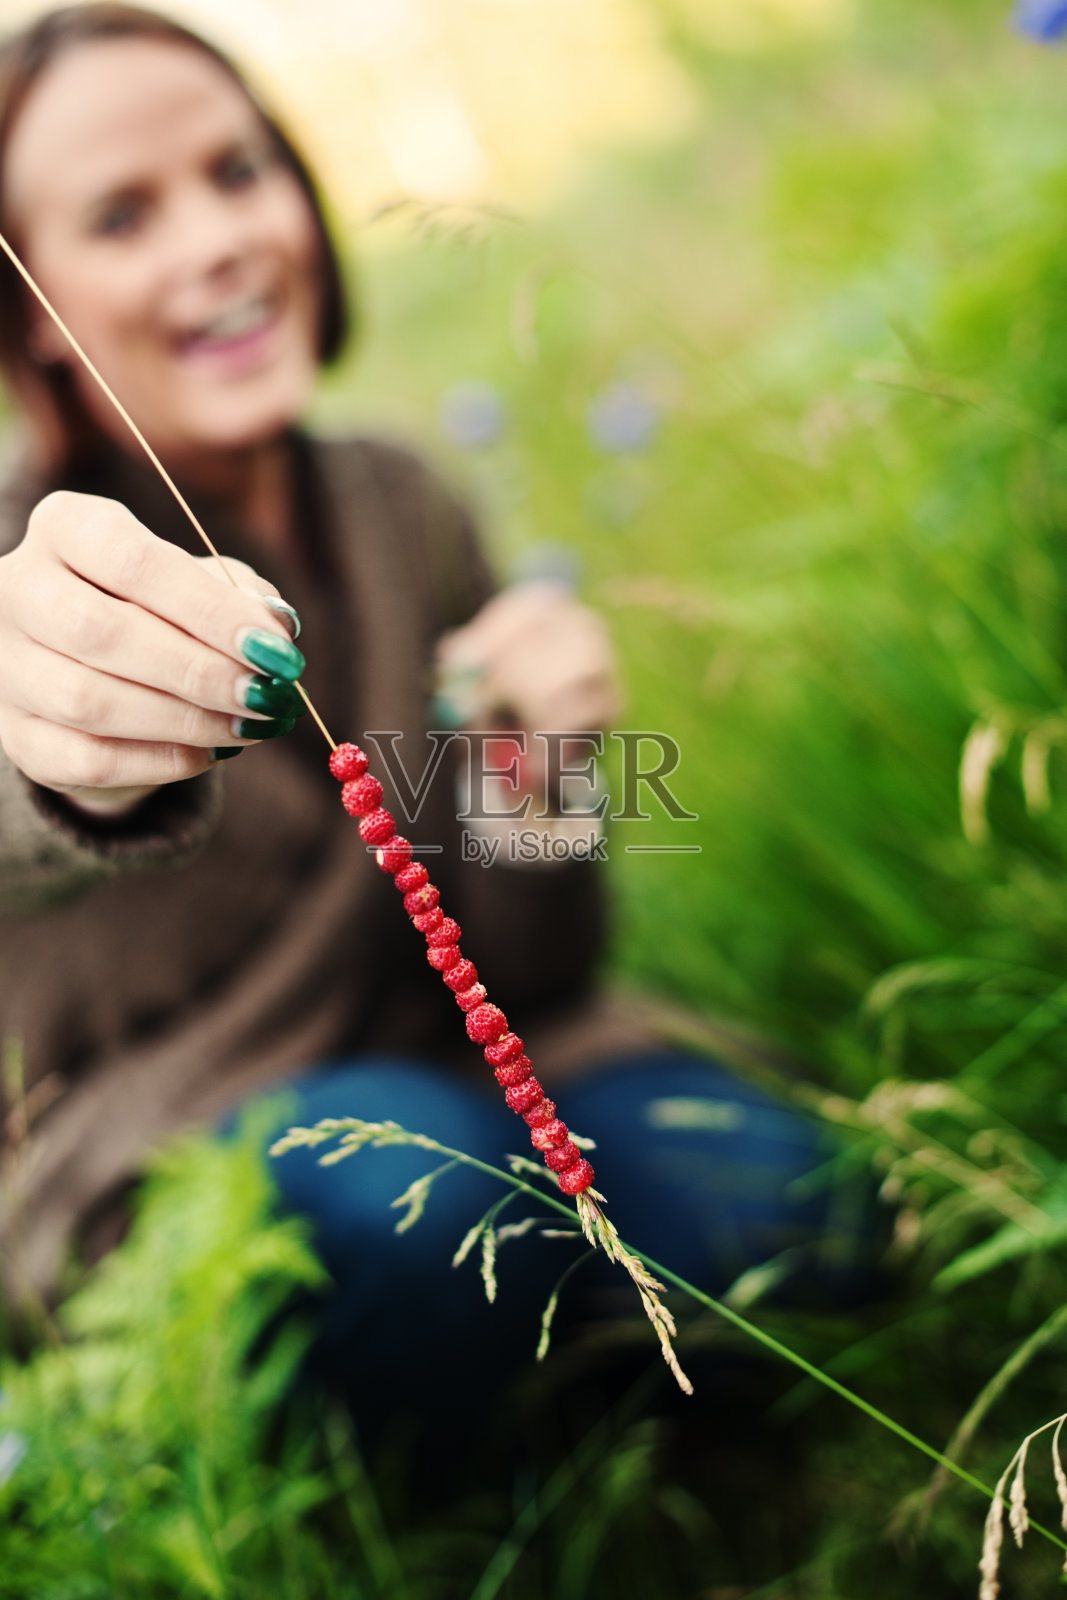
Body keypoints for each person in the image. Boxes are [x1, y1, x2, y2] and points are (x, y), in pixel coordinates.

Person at [0, 4, 881, 1415]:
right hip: (183, 1147)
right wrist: (69, 761)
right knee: (420, 1211)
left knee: (796, 1211)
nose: (216, 238)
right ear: (35, 308)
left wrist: (535, 769)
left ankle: (565, 1374)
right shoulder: (31, 581)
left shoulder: (403, 504)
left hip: (493, 1072)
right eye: (122, 215)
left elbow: (538, 967)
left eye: (237, 170)